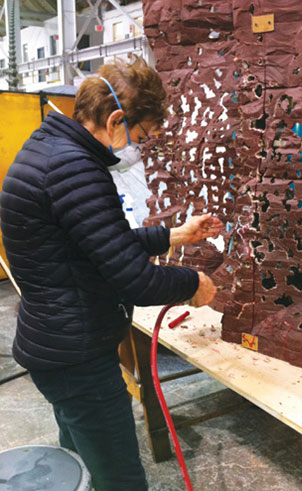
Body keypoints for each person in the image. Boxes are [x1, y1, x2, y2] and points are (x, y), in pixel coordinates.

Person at [0, 57, 222, 490]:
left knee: (80, 461)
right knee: (120, 477)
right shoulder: (76, 169)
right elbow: (134, 280)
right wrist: (193, 284)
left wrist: (173, 235)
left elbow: (94, 246)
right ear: (116, 118)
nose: (135, 146)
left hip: (54, 347)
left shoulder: (49, 147)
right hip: (77, 356)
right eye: (139, 136)